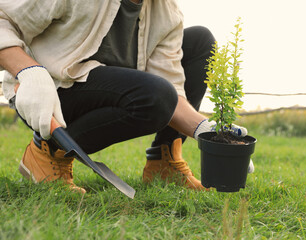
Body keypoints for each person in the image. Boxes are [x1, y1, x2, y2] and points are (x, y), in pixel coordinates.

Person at [0, 0, 252, 194]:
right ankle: (47, 150)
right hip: (47, 91)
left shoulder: (166, 11)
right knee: (157, 94)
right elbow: (4, 19)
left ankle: (164, 162)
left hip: (112, 85)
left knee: (199, 41)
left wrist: (206, 130)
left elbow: (171, 90)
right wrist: (29, 72)